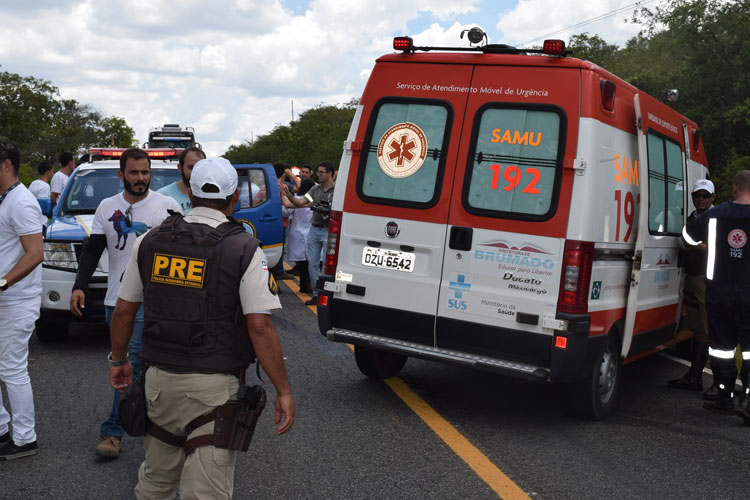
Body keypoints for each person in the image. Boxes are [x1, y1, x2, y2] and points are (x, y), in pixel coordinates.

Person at [109, 157, 295, 498]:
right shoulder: (244, 248)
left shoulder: (150, 241)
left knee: (155, 483)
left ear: (190, 194)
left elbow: (123, 312)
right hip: (213, 389)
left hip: (158, 382)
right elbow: (260, 327)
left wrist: (118, 360)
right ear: (235, 198)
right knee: (205, 492)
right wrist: (282, 390)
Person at [70, 148, 181, 458]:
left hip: (154, 300)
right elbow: (93, 249)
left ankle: (114, 431)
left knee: (131, 363)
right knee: (129, 363)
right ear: (121, 175)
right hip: (115, 300)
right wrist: (79, 286)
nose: (140, 178)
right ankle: (153, 427)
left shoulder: (167, 207)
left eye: (145, 172)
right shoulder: (107, 207)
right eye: (134, 173)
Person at [683, 170, 750, 420]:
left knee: (722, 349)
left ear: (734, 188)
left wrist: (708, 246)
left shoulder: (714, 214)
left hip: (719, 291)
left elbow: (687, 235)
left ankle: (725, 397)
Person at [0, 139, 44, 460]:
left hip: (15, 301)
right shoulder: (4, 201)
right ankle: (2, 430)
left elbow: (35, 254)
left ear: (5, 165)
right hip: (4, 298)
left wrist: (1, 283)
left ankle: (25, 438)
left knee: (13, 369)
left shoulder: (21, 202)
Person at [668, 180, 716, 396]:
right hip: (691, 276)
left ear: (713, 197)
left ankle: (717, 381)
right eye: (697, 195)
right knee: (697, 328)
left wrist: (696, 246)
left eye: (705, 195)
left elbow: (718, 249)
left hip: (707, 280)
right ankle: (694, 376)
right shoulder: (693, 218)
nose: (701, 199)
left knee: (707, 330)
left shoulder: (718, 218)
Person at [280, 160, 335, 305]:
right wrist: (288, 194)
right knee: (313, 264)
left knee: (326, 265)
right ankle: (317, 294)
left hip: (329, 230)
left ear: (330, 173)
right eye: (318, 172)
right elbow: (300, 203)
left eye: (321, 172)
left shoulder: (338, 191)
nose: (318, 175)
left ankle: (327, 294)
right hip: (315, 229)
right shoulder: (315, 190)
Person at [282, 178, 315, 292]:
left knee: (302, 265)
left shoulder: (296, 200)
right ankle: (312, 286)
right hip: (311, 233)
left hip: (297, 233)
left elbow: (285, 212)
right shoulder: (314, 200)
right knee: (313, 263)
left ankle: (304, 287)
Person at [157, 147, 205, 213]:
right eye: (191, 167)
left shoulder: (213, 196)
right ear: (180, 167)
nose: (195, 172)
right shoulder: (162, 196)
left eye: (200, 167)